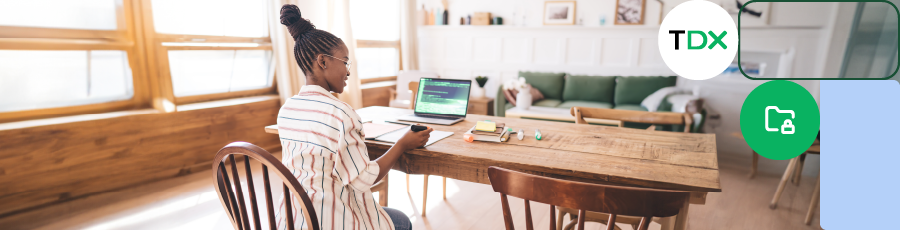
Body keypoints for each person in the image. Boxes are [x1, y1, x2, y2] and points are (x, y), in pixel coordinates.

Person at [274, 4, 431, 230]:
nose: (348, 71)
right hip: (331, 221)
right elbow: (364, 179)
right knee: (402, 221)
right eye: (345, 62)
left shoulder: (287, 109)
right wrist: (402, 144)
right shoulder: (341, 113)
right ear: (323, 61)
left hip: (293, 219)